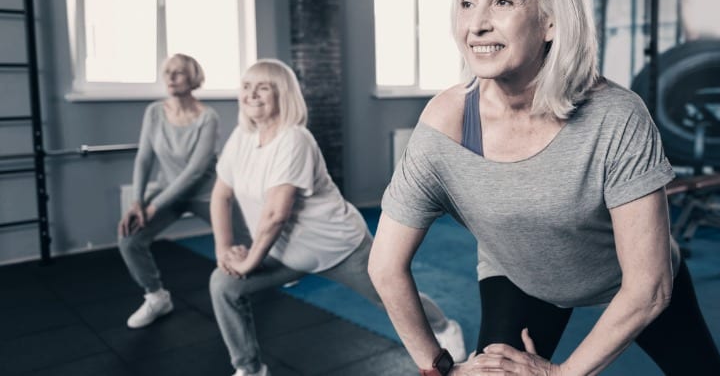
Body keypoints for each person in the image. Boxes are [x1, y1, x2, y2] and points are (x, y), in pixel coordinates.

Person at [368, 0, 720, 375]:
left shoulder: (615, 116)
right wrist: (438, 368)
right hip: (520, 277)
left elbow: (647, 288)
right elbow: (384, 265)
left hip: (626, 281)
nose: (477, 24)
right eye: (467, 3)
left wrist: (560, 373)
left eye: (503, 1)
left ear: (551, 22)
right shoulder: (447, 123)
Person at [208, 59, 466, 376]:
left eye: (263, 87)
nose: (252, 95)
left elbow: (276, 214)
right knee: (224, 285)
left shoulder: (294, 139)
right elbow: (221, 195)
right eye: (247, 87)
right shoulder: (241, 138)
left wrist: (248, 263)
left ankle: (444, 326)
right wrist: (223, 250)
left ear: (283, 95)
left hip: (338, 247)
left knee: (390, 298)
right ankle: (249, 368)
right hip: (282, 252)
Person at [119, 53, 230, 329]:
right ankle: (157, 297)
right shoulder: (155, 112)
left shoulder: (208, 118)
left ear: (193, 79)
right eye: (167, 71)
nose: (170, 77)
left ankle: (275, 269)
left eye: (178, 72)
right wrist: (137, 203)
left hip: (208, 193)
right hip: (170, 191)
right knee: (130, 239)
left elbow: (194, 172)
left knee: (244, 239)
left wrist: (153, 207)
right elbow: (144, 158)